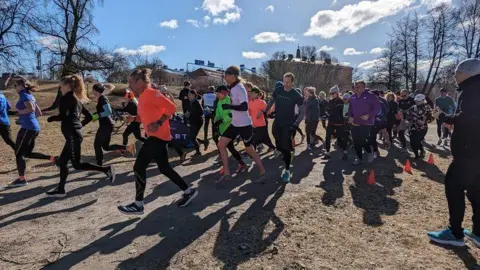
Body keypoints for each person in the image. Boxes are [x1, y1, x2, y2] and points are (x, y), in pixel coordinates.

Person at [118, 69, 198, 215]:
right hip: (157, 137)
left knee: (138, 166)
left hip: (158, 137)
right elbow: (144, 117)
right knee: (165, 168)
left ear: (140, 82)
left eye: (131, 82)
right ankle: (189, 191)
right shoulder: (142, 96)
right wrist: (133, 118)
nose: (129, 86)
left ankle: (138, 204)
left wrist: (159, 123)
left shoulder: (151, 93)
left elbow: (172, 107)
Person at [427, 58, 480, 247]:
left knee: (453, 186)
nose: (455, 76)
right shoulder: (473, 89)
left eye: (457, 72)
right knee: (475, 190)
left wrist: (443, 116)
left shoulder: (473, 90)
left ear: (468, 73)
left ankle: (455, 233)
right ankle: (478, 232)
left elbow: (470, 118)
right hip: (475, 152)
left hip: (469, 152)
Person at [46, 75, 115, 197]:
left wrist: (51, 118)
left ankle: (106, 169)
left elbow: (63, 116)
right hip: (74, 135)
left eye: (60, 85)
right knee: (62, 162)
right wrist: (78, 127)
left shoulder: (66, 98)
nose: (59, 88)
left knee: (77, 164)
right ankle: (61, 190)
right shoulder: (77, 100)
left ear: (67, 85)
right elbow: (88, 117)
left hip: (73, 135)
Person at [217, 66, 266, 183]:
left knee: (249, 150)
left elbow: (244, 107)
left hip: (244, 125)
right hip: (235, 124)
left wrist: (229, 106)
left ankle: (262, 171)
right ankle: (227, 173)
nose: (225, 77)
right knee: (221, 145)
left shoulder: (239, 88)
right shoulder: (233, 88)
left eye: (226, 74)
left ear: (233, 75)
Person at [7, 78, 55, 187]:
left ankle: (22, 180)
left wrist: (18, 112)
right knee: (26, 153)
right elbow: (38, 113)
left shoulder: (24, 95)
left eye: (15, 85)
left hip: (28, 128)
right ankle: (53, 159)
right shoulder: (30, 95)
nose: (15, 88)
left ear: (21, 86)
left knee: (19, 153)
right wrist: (22, 119)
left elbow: (32, 109)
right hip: (32, 127)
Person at [264, 72, 305, 182]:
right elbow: (271, 101)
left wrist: (295, 125)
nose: (285, 84)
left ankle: (287, 171)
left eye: (288, 82)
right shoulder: (278, 90)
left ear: (292, 82)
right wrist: (265, 111)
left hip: (288, 124)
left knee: (286, 147)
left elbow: (302, 112)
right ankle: (280, 149)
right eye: (284, 81)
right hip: (277, 121)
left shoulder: (296, 95)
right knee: (275, 135)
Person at [91, 83, 135, 166]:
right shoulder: (101, 98)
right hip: (107, 125)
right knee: (106, 147)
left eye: (92, 90)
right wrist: (95, 116)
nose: (92, 91)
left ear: (95, 90)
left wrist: (98, 115)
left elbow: (108, 111)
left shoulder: (102, 98)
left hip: (106, 125)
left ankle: (99, 165)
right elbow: (103, 112)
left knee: (97, 145)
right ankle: (128, 148)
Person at [214, 85, 247, 174]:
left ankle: (228, 167)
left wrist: (223, 120)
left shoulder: (230, 100)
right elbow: (218, 113)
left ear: (223, 93)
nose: (217, 95)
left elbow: (233, 114)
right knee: (230, 147)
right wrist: (216, 120)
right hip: (223, 128)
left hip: (231, 127)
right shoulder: (219, 102)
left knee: (225, 146)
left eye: (218, 93)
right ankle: (241, 163)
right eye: (216, 93)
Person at [348, 81, 381, 166]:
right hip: (355, 122)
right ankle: (359, 158)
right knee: (355, 141)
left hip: (367, 122)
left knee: (362, 139)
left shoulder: (371, 96)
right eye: (355, 87)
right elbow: (350, 108)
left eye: (358, 87)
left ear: (364, 87)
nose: (356, 88)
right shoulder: (352, 97)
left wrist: (369, 115)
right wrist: (350, 116)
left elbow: (377, 108)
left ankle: (370, 151)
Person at [404, 94, 433, 159]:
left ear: (423, 100)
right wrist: (407, 122)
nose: (417, 102)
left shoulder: (427, 107)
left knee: (417, 140)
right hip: (413, 127)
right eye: (416, 100)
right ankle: (416, 154)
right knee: (412, 141)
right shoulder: (413, 108)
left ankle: (421, 151)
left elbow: (432, 118)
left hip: (423, 128)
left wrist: (425, 121)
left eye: (419, 101)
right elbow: (408, 117)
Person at [324, 85, 348, 160]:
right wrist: (327, 114)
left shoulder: (341, 101)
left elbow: (344, 113)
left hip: (339, 123)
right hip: (331, 123)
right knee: (327, 138)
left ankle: (345, 152)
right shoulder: (330, 101)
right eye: (330, 93)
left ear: (337, 93)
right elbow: (327, 110)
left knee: (340, 139)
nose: (331, 95)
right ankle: (327, 153)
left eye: (333, 93)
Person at [248, 86, 275, 151]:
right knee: (265, 138)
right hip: (253, 124)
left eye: (252, 93)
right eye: (250, 93)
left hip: (261, 125)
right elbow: (249, 113)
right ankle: (272, 147)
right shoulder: (250, 103)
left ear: (257, 94)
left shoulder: (261, 102)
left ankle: (250, 153)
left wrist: (262, 111)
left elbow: (269, 110)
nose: (250, 94)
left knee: (254, 139)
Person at [370, 90, 390, 158]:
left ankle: (387, 142)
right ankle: (376, 151)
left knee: (384, 132)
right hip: (373, 123)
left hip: (382, 122)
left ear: (377, 95)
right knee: (372, 137)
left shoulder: (382, 102)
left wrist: (381, 117)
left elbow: (386, 111)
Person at [185, 89, 203, 157]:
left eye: (189, 94)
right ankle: (202, 143)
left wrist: (191, 113)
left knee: (193, 137)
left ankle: (198, 152)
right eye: (188, 94)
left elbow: (201, 112)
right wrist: (187, 114)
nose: (188, 96)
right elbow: (189, 111)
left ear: (193, 95)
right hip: (193, 121)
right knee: (191, 136)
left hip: (197, 122)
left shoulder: (196, 102)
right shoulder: (191, 102)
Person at [202, 86, 216, 150]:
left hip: (206, 111)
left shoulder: (204, 95)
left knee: (206, 124)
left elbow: (202, 103)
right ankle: (213, 135)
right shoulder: (215, 96)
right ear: (213, 90)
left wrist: (204, 109)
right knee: (213, 124)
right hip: (213, 112)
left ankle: (205, 137)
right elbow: (217, 104)